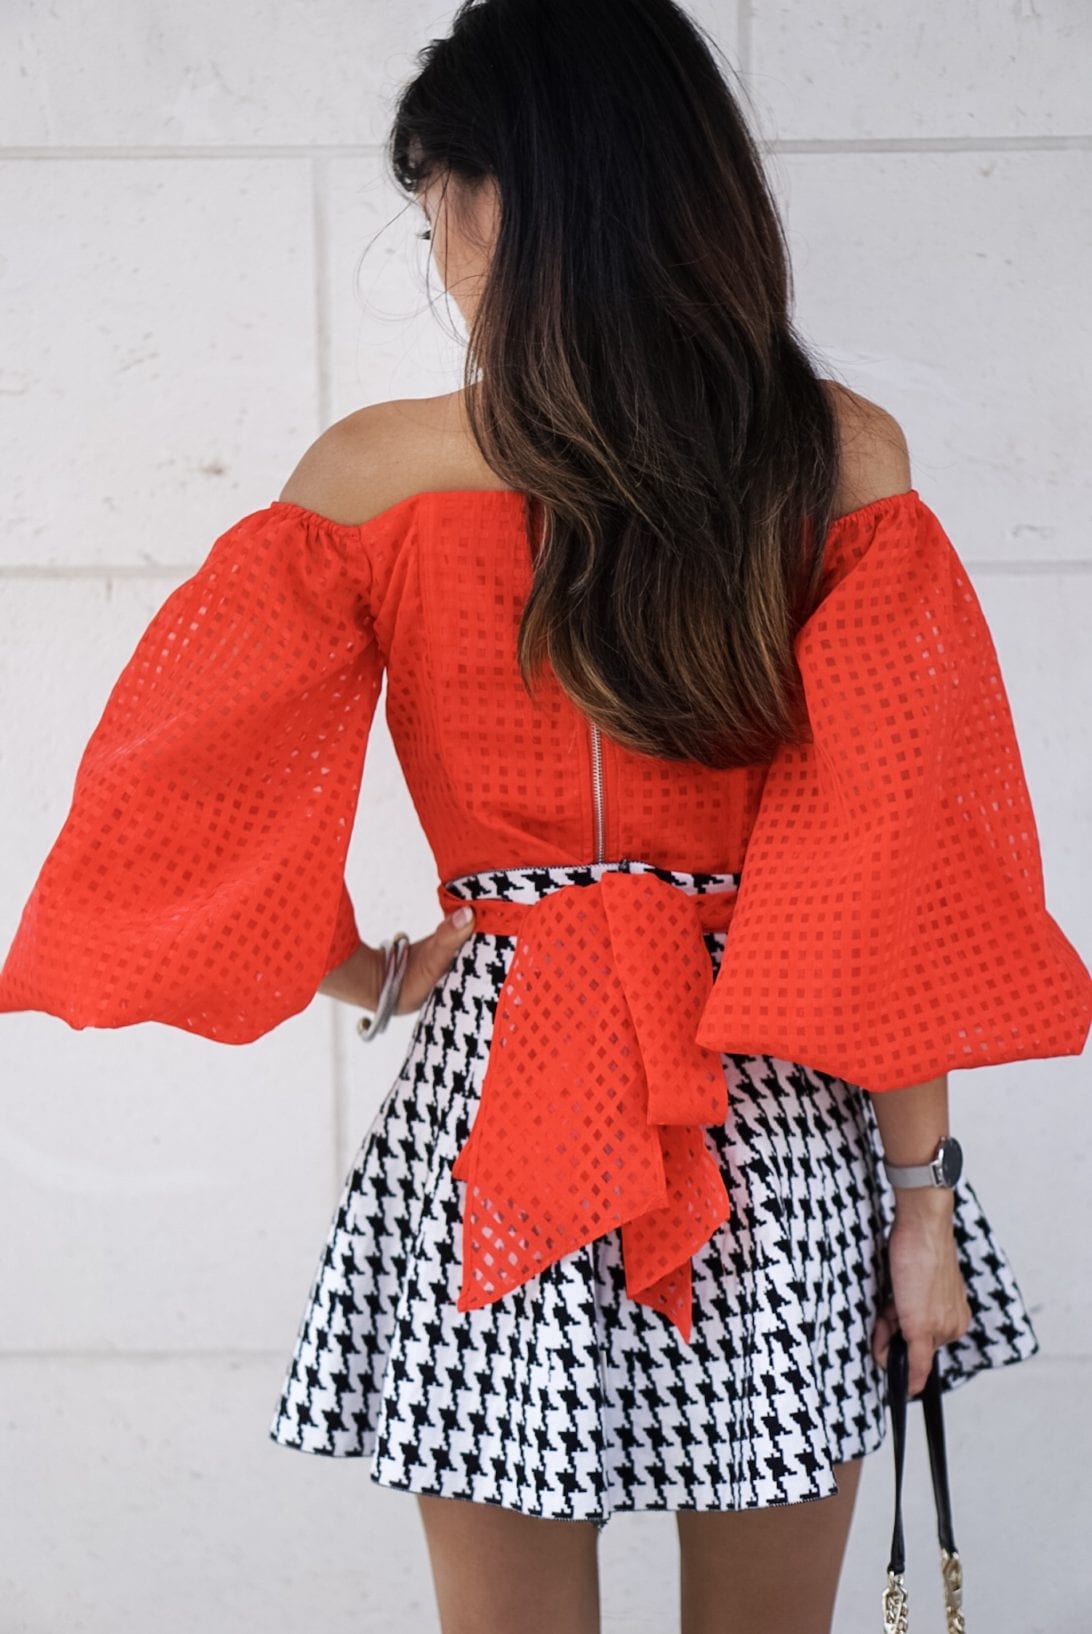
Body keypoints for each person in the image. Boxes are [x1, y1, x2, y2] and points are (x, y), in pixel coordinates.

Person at [1, 2, 1089, 1631]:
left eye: (439, 197)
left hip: (489, 1110)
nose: (438, 242)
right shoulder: (836, 462)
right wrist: (918, 1205)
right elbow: (887, 895)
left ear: (509, 194)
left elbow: (168, 809)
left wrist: (375, 975)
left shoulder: (374, 475)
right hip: (773, 1110)